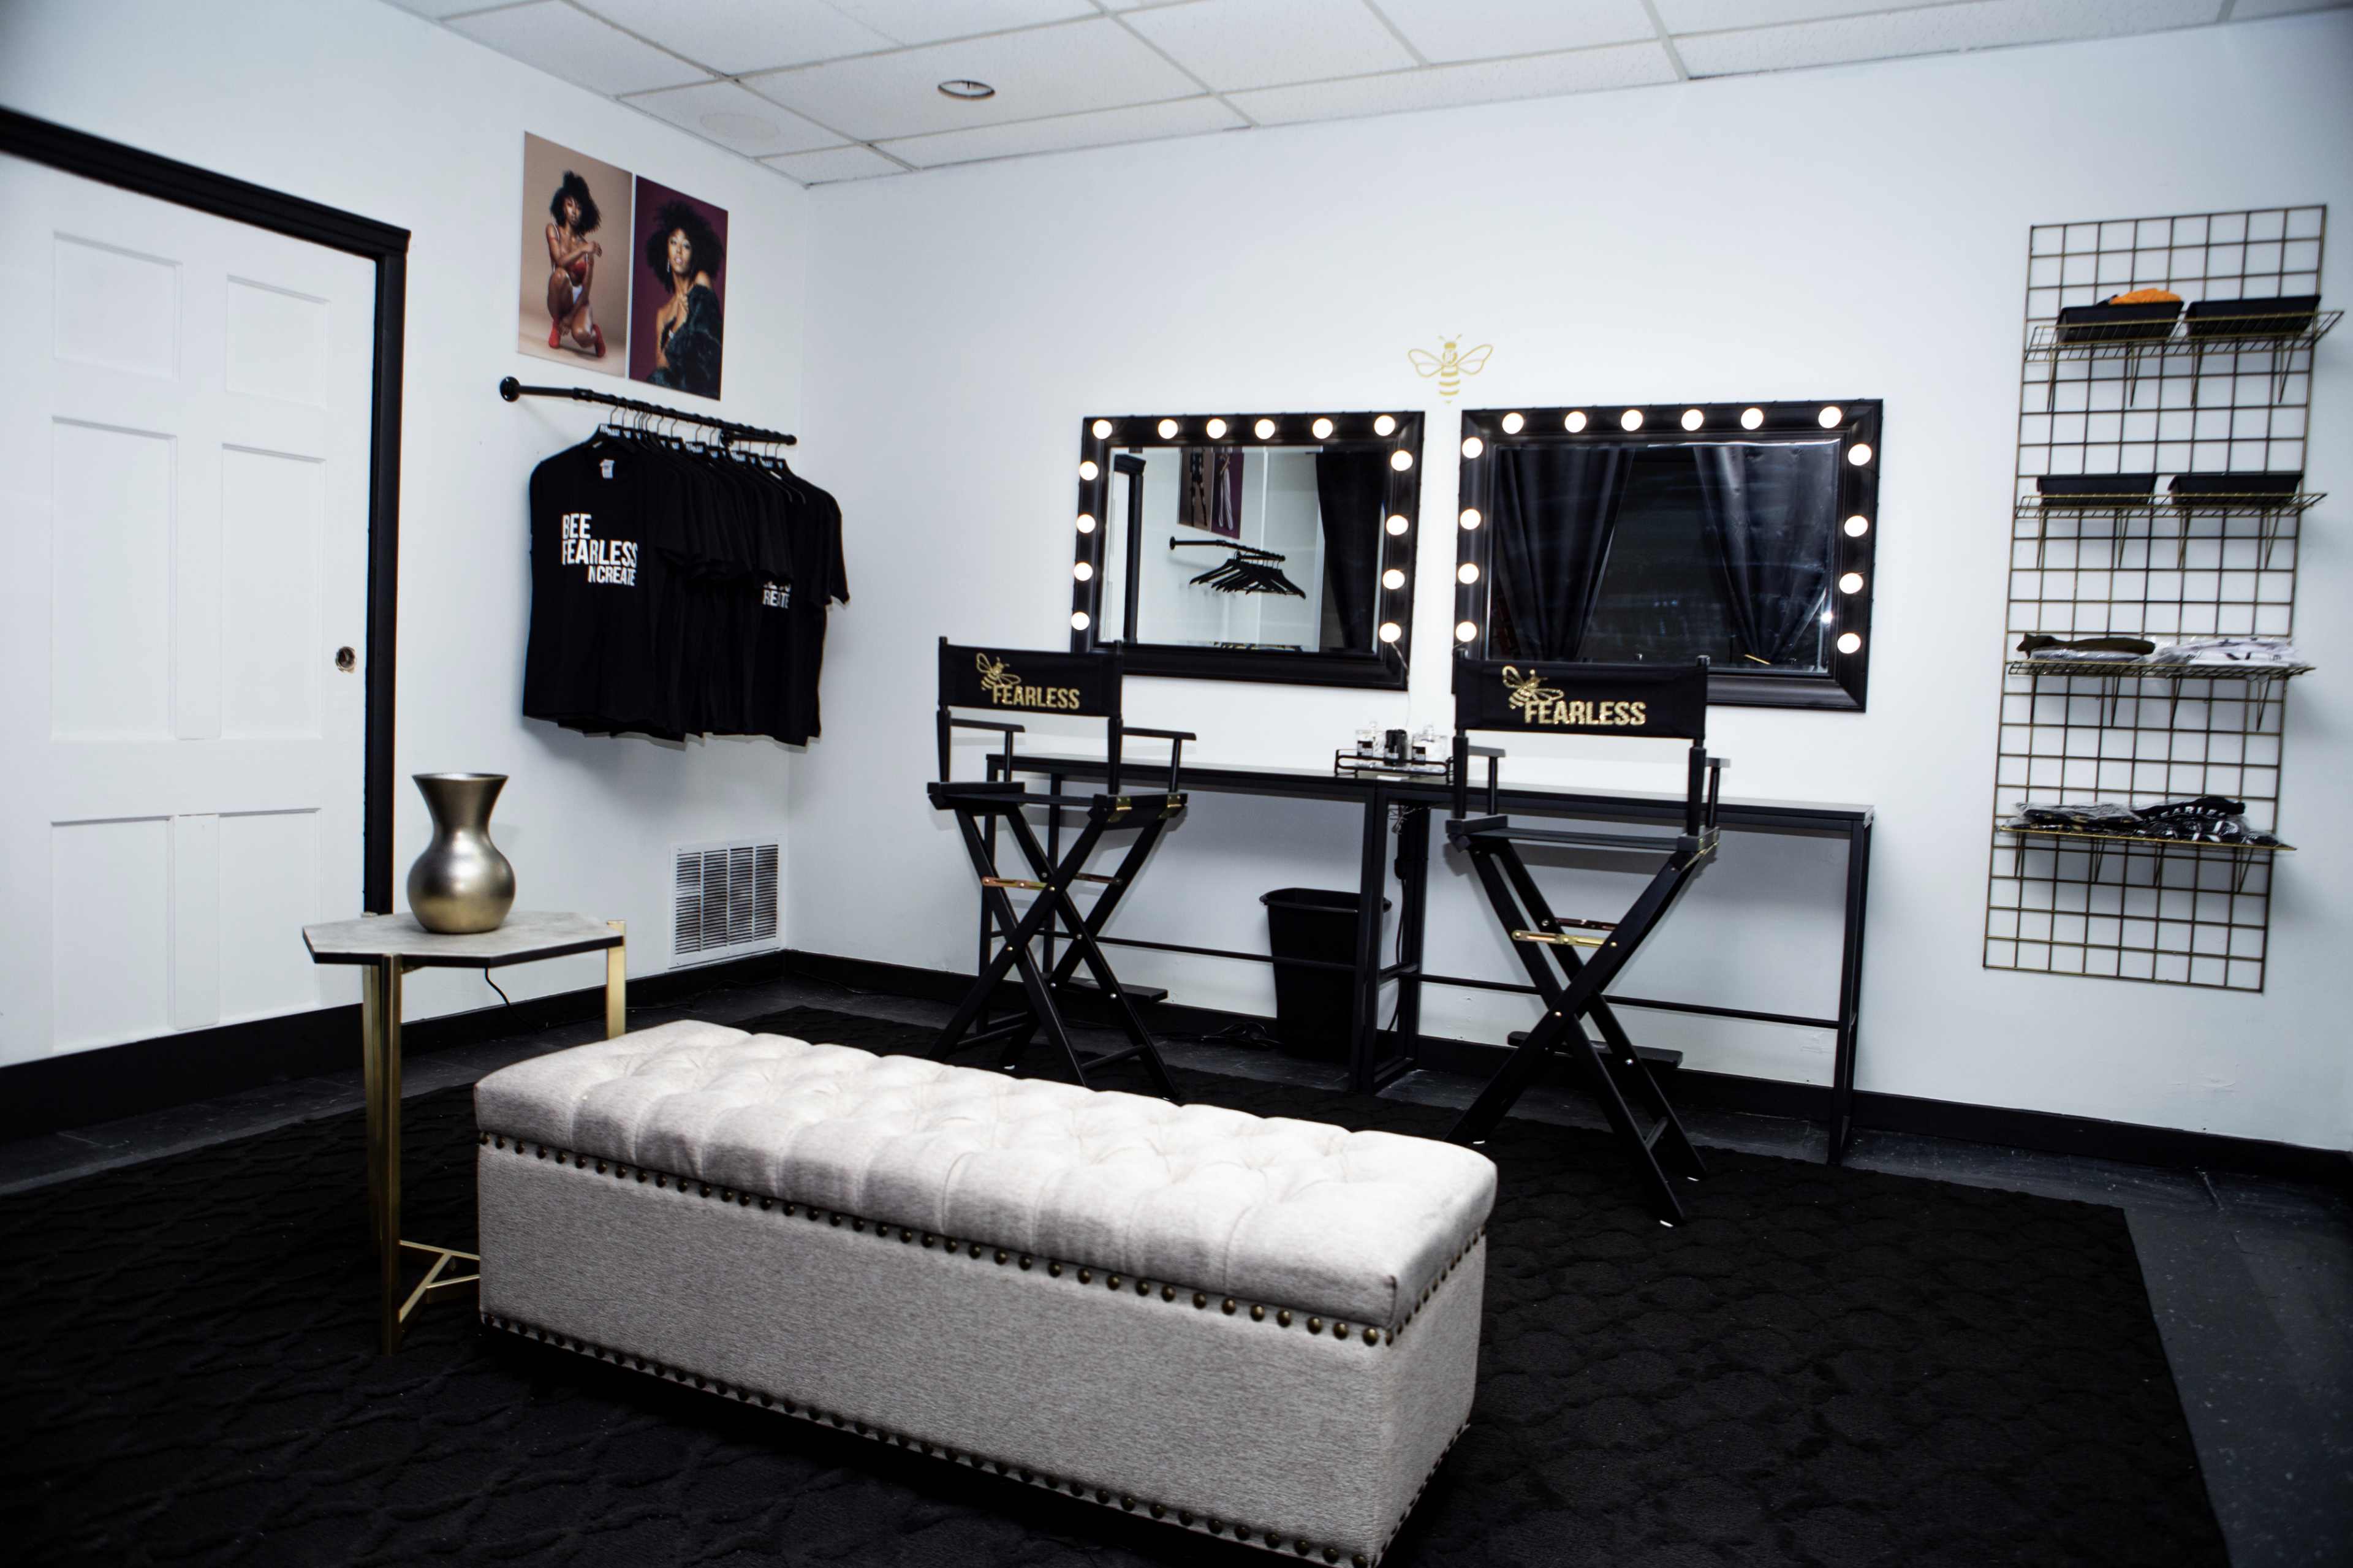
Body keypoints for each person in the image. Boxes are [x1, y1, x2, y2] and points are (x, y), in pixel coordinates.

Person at [644, 200, 724, 397]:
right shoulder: (663, 313)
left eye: (686, 245)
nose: (679, 250)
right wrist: (678, 324)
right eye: (674, 242)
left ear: (694, 253)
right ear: (666, 251)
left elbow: (712, 351)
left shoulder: (701, 283)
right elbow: (661, 368)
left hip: (702, 391)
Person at [544, 171, 605, 357]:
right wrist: (582, 250)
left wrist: (571, 319)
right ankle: (556, 325)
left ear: (584, 212)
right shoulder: (552, 229)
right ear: (562, 206)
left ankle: (596, 334)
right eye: (570, 205)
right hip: (560, 295)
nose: (574, 211)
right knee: (559, 275)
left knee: (583, 336)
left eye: (578, 207)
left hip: (580, 301)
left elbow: (586, 291)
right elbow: (560, 261)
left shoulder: (587, 250)